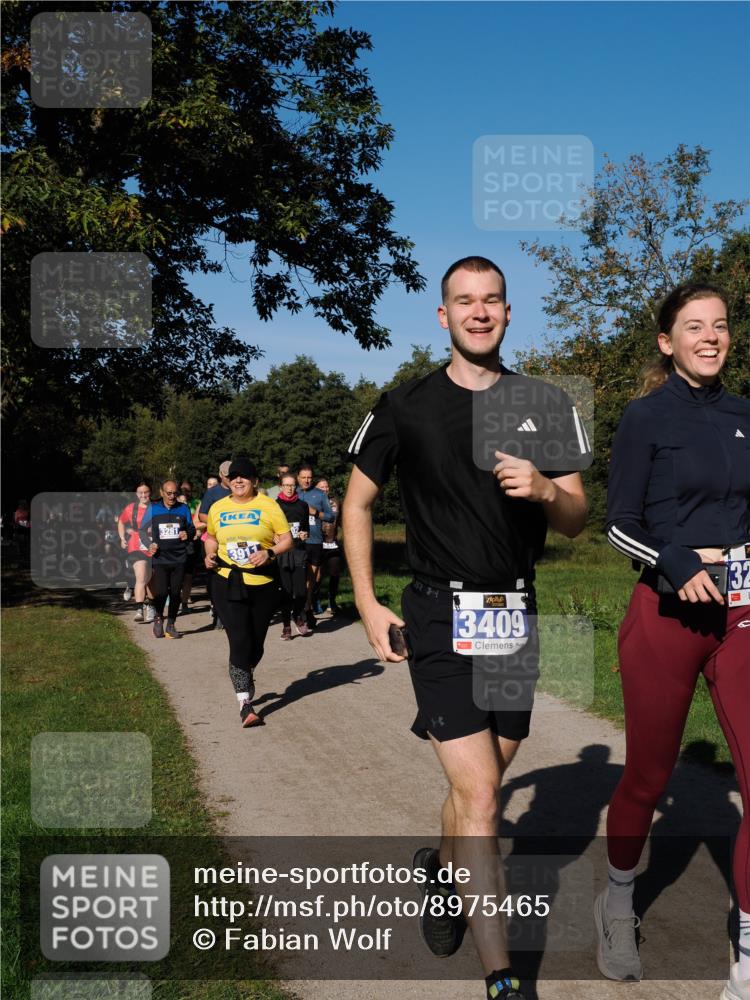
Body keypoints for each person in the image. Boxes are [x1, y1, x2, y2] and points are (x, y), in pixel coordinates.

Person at [343, 256, 590, 1000]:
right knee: (481, 795)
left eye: (492, 300)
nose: (479, 312)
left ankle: (443, 878)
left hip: (512, 613)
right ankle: (503, 976)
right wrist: (366, 601)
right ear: (442, 316)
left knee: (494, 770)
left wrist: (548, 488)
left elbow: (576, 519)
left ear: (509, 314)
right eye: (464, 301)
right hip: (437, 613)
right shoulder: (405, 406)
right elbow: (354, 506)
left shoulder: (545, 402)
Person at [595, 283, 750, 999]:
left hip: (742, 615)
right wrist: (677, 561)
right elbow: (619, 519)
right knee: (648, 777)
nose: (711, 336)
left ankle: (746, 953)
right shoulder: (644, 417)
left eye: (720, 325)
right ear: (667, 341)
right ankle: (619, 898)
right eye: (695, 326)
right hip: (666, 614)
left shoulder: (747, 415)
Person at [204, 457, 293, 727]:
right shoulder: (218, 507)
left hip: (263, 583)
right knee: (239, 640)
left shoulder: (269, 505)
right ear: (227, 481)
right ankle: (245, 704)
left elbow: (286, 539)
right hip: (227, 580)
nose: (239, 480)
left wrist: (270, 552)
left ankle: (245, 670)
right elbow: (210, 537)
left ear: (254, 480)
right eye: (234, 477)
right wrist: (209, 555)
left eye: (244, 476)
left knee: (256, 644)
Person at [140, 480, 195, 639]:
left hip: (179, 557)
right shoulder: (153, 508)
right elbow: (143, 530)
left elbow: (190, 528)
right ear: (162, 492)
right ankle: (158, 618)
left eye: (175, 493)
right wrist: (149, 545)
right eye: (169, 493)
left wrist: (187, 534)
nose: (172, 496)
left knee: (176, 592)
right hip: (160, 557)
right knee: (162, 592)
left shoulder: (183, 508)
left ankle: (171, 624)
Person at [296, 464, 334, 629]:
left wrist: (316, 513)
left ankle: (306, 607)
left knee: (312, 579)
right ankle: (299, 608)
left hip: (314, 542)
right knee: (298, 579)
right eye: (303, 477)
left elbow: (331, 516)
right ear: (298, 477)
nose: (306, 480)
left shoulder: (319, 495)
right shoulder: (293, 493)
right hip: (296, 542)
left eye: (309, 477)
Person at [275, 473, 312, 639]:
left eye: (292, 485)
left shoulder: (303, 505)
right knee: (286, 591)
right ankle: (286, 627)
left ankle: (296, 614)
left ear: (295, 486)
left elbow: (306, 529)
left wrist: (304, 534)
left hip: (298, 551)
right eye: (286, 485)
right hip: (282, 553)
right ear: (281, 486)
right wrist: (275, 538)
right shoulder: (275, 506)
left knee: (301, 592)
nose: (289, 488)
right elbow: (269, 530)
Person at [196, 461, 232, 629]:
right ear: (220, 475)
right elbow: (202, 515)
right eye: (226, 475)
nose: (230, 478)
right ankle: (217, 611)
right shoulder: (213, 492)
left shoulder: (240, 489)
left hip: (235, 540)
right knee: (215, 579)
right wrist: (217, 522)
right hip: (214, 539)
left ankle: (233, 613)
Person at [117, 482, 155, 623]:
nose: (143, 495)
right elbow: (121, 522)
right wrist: (122, 538)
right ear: (137, 494)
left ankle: (151, 606)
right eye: (140, 493)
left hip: (154, 546)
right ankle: (139, 609)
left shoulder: (157, 507)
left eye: (146, 492)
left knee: (151, 579)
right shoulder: (131, 508)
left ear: (150, 492)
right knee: (140, 576)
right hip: (136, 545)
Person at [315, 478, 343, 615]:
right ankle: (316, 601)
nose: (325, 489)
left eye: (326, 486)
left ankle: (332, 602)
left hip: (333, 544)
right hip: (317, 544)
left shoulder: (336, 502)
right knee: (317, 576)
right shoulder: (312, 502)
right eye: (321, 487)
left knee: (335, 573)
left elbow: (342, 520)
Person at [178, 480, 201, 613]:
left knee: (188, 575)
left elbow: (197, 522)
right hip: (175, 546)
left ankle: (185, 602)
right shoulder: (172, 506)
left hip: (191, 544)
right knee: (175, 575)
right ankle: (172, 598)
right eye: (182, 490)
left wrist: (197, 531)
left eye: (187, 490)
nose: (185, 493)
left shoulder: (196, 503)